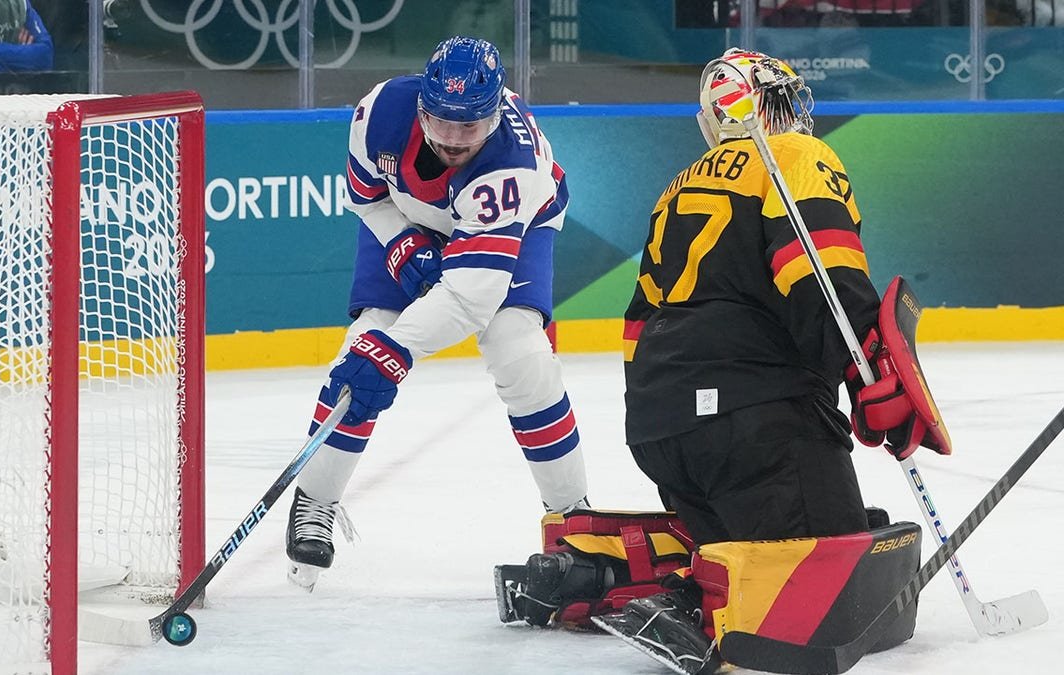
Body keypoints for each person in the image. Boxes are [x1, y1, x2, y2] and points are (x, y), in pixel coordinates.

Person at [603, 48, 949, 671]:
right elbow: (822, 273)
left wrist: (669, 415)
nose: (797, 117)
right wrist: (865, 372)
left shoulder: (679, 185)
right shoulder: (794, 156)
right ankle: (690, 604)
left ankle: (690, 589)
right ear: (765, 106)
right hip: (757, 423)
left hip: (662, 429)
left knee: (767, 553)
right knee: (844, 577)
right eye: (785, 102)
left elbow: (636, 323)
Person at [284, 36, 589, 590]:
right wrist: (401, 244)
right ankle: (316, 499)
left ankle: (575, 518)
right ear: (422, 103)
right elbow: (367, 197)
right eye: (440, 122)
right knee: (363, 341)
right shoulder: (379, 112)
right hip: (410, 217)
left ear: (494, 115)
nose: (451, 140)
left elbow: (471, 300)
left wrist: (395, 354)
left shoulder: (511, 169)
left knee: (519, 350)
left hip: (514, 223)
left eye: (467, 127)